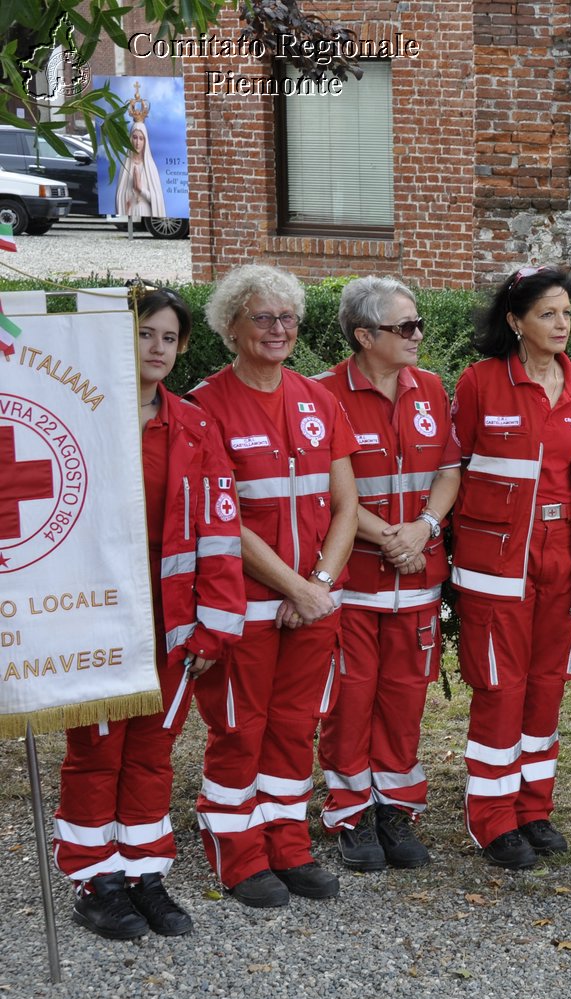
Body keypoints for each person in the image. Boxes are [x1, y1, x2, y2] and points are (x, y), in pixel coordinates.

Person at [53, 287, 245, 938]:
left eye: (169, 337)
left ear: (183, 346)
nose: (157, 347)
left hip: (173, 619)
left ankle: (143, 871)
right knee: (97, 747)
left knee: (153, 748)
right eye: (144, 334)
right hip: (98, 615)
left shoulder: (195, 426)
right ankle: (93, 878)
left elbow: (221, 531)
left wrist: (217, 619)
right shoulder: (78, 417)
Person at [189, 265, 359, 907]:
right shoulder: (206, 406)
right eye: (262, 318)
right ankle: (236, 850)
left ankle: (287, 844)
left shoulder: (318, 400)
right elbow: (221, 519)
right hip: (246, 606)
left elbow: (346, 505)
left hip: (312, 602)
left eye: (287, 318)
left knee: (294, 726)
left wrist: (316, 585)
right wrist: (295, 586)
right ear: (230, 327)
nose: (278, 329)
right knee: (241, 727)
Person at [451, 266, 571, 870]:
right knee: (499, 689)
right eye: (547, 314)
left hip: (565, 562)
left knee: (546, 691)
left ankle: (533, 809)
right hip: (498, 568)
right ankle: (491, 818)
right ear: (516, 322)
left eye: (566, 313)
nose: (561, 324)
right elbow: (451, 470)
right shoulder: (480, 384)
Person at [315, 277, 460, 869]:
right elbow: (327, 494)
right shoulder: (323, 395)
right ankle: (351, 812)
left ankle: (396, 808)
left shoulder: (430, 389)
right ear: (364, 336)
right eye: (405, 328)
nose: (418, 336)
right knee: (352, 701)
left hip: (418, 576)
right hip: (354, 581)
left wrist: (423, 528)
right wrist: (388, 537)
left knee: (403, 699)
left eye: (418, 323)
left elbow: (449, 470)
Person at [114, 112, 166, 220]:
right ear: (130, 139)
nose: (138, 142)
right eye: (135, 137)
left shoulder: (150, 166)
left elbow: (157, 199)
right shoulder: (126, 164)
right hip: (130, 210)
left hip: (145, 211)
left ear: (145, 141)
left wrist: (140, 188)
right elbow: (120, 195)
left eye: (141, 139)